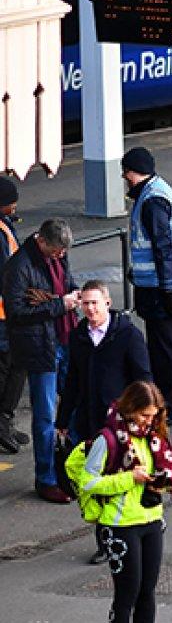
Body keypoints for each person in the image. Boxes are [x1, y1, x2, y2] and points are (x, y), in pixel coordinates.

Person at [65, 381, 172, 623]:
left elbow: (166, 470)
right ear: (129, 409)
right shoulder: (107, 440)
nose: (149, 422)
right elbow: (89, 483)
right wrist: (128, 478)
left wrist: (161, 481)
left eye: (154, 416)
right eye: (144, 415)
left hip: (151, 521)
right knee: (126, 596)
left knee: (147, 593)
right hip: (120, 527)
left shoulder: (154, 438)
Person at [57, 280, 153, 564]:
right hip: (90, 423)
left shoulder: (128, 336)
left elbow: (143, 379)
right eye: (85, 303)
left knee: (121, 480)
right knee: (96, 483)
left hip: (121, 426)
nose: (90, 308)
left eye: (95, 303)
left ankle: (131, 535)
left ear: (108, 304)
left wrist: (144, 417)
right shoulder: (79, 337)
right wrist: (63, 420)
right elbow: (72, 381)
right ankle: (105, 540)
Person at [2, 218, 79, 503]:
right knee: (45, 416)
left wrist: (69, 296)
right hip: (40, 349)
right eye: (57, 251)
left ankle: (72, 468)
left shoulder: (58, 256)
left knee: (73, 406)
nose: (61, 256)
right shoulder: (19, 267)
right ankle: (46, 479)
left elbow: (67, 285)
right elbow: (17, 312)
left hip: (64, 338)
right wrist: (59, 303)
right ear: (42, 241)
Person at [121, 147, 172, 425]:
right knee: (165, 347)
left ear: (130, 172)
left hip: (160, 288)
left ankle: (169, 407)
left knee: (165, 349)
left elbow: (163, 247)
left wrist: (166, 288)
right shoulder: (157, 190)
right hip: (160, 284)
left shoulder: (152, 200)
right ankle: (164, 403)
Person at [0, 178, 30, 454]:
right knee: (9, 367)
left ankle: (5, 421)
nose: (15, 205)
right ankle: (2, 424)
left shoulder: (4, 227)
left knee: (15, 366)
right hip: (4, 314)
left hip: (8, 311)